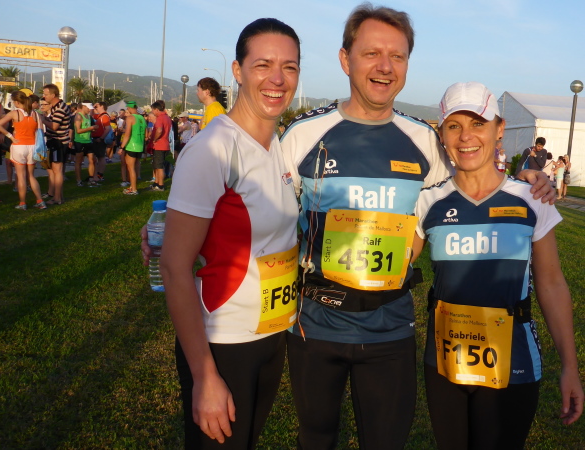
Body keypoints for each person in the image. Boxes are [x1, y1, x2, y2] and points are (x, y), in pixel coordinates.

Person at [280, 5, 556, 449]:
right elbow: (268, 216)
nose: (385, 67)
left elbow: (471, 176)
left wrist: (526, 178)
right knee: (315, 439)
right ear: (345, 59)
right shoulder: (303, 134)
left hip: (390, 328)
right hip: (317, 323)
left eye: (398, 56)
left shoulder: (426, 140)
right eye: (371, 53)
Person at [154, 18, 300, 449]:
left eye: (289, 67)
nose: (277, 79)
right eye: (263, 65)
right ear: (237, 71)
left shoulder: (280, 145)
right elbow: (174, 266)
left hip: (272, 334)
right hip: (223, 340)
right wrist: (204, 375)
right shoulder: (213, 148)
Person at [413, 81, 583, 449]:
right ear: (442, 135)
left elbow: (552, 284)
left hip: (514, 361)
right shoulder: (428, 202)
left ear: (499, 129)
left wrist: (570, 366)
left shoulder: (532, 198)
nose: (466, 136)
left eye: (478, 123)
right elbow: (394, 268)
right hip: (445, 361)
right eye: (454, 126)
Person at [0, 90, 46, 210]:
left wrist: (10, 137)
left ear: (17, 102)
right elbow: (40, 131)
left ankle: (22, 203)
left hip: (19, 145)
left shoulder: (15, 113)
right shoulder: (35, 114)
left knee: (21, 176)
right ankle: (40, 201)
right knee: (31, 176)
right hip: (32, 146)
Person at [40, 83, 71, 205]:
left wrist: (43, 120)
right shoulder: (56, 106)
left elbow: (54, 126)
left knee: (57, 171)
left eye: (46, 94)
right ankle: (59, 197)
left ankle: (57, 198)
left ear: (53, 95)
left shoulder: (59, 108)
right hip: (56, 141)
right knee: (56, 170)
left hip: (58, 142)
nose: (44, 96)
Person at [118, 101, 145, 195]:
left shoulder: (130, 118)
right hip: (140, 145)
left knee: (131, 168)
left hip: (132, 145)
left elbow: (127, 134)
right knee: (136, 166)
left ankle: (134, 189)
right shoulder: (142, 118)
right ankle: (132, 186)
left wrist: (122, 147)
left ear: (129, 108)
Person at [149, 100, 172, 191]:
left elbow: (159, 130)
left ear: (157, 110)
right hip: (165, 144)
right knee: (157, 164)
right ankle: (156, 183)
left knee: (159, 166)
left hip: (159, 145)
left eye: (153, 110)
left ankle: (160, 185)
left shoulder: (160, 118)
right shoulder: (167, 117)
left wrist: (154, 139)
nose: (152, 112)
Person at [73, 103, 97, 187]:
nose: (89, 110)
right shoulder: (78, 116)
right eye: (88, 108)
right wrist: (90, 128)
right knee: (79, 161)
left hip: (88, 141)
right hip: (80, 141)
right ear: (83, 107)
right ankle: (79, 180)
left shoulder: (89, 117)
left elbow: (87, 128)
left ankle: (91, 178)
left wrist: (93, 129)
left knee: (92, 160)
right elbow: (78, 130)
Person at [91, 102, 112, 183]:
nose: (96, 107)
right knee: (98, 157)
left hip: (100, 139)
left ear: (102, 106)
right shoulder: (100, 116)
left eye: (98, 106)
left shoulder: (104, 116)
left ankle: (100, 174)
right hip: (97, 138)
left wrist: (101, 138)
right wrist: (93, 107)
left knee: (101, 156)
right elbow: (91, 115)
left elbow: (107, 128)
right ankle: (98, 173)